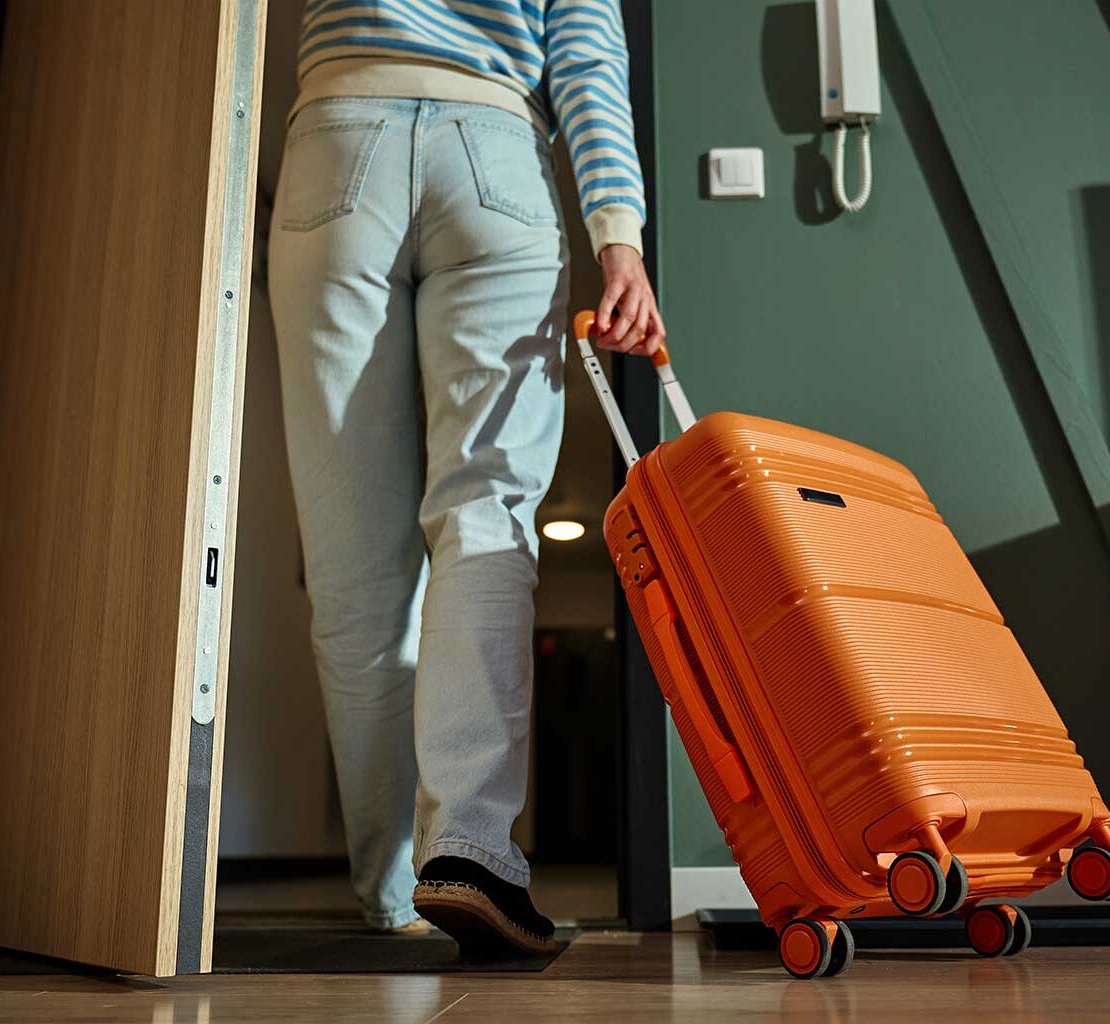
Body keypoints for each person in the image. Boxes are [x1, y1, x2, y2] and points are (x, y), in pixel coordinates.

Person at [268, 0, 662, 956]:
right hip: (495, 150)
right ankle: (469, 852)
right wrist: (617, 233)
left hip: (337, 135)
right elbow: (585, 48)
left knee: (352, 555)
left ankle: (389, 889)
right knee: (485, 516)